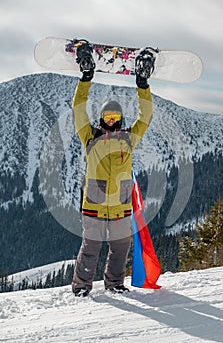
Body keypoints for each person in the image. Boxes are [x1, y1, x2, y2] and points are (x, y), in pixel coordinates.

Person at [71, 41, 154, 297]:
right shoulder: (89, 136)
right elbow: (78, 109)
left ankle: (115, 284)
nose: (111, 120)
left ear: (120, 119)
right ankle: (82, 287)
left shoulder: (129, 138)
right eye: (107, 117)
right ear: (101, 119)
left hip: (120, 206)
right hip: (94, 205)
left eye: (115, 117)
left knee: (120, 249)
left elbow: (146, 116)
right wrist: (86, 78)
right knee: (91, 249)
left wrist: (142, 85)